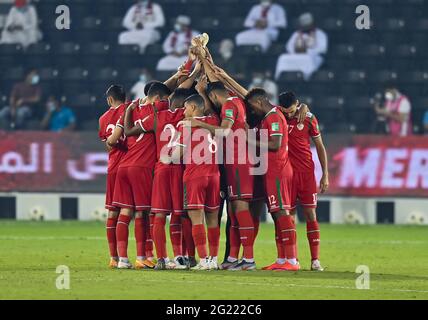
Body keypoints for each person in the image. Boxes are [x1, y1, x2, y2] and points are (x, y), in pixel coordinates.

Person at [185, 81, 257, 271]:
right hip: (231, 163)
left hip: (238, 161)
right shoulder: (234, 102)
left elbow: (224, 130)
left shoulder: (229, 105)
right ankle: (232, 257)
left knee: (240, 209)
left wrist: (197, 123)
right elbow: (212, 115)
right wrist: (202, 89)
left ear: (215, 96)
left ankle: (248, 259)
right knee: (233, 212)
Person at [107, 82, 171, 270]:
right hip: (142, 167)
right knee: (142, 213)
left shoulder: (129, 109)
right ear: (158, 98)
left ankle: (122, 260)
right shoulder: (156, 110)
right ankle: (142, 256)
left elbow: (111, 141)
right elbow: (173, 88)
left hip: (123, 166)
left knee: (125, 212)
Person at [244, 88, 299, 271]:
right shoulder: (270, 115)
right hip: (272, 171)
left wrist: (249, 140)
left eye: (252, 106)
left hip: (277, 170)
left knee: (282, 213)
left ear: (259, 102)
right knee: (277, 215)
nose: (252, 111)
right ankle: (282, 260)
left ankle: (291, 260)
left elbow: (275, 144)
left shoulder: (273, 117)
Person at [169, 94, 221, 270]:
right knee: (213, 219)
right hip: (214, 176)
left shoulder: (187, 126)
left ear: (192, 108)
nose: (183, 112)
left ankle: (204, 260)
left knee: (197, 219)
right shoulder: (213, 121)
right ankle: (213, 260)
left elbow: (178, 156)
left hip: (194, 176)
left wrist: (168, 154)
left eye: (185, 108)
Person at [277, 91, 328, 271]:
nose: (289, 115)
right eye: (286, 112)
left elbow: (320, 146)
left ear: (297, 104)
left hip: (306, 173)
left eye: (291, 111)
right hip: (286, 175)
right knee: (288, 217)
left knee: (310, 214)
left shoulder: (308, 118)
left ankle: (315, 260)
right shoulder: (277, 115)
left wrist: (325, 174)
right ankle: (293, 259)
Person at [98, 85, 129, 269]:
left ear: (109, 99)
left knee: (113, 211)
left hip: (113, 167)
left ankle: (114, 258)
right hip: (130, 165)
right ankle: (133, 257)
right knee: (133, 210)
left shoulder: (102, 119)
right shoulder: (130, 108)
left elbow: (108, 146)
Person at [275, 13, 328, 80]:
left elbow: (322, 48)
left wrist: (306, 51)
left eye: (307, 25)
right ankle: (282, 78)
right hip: (296, 55)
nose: (306, 27)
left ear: (312, 24)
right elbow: (289, 46)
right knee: (282, 58)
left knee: (308, 59)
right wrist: (296, 50)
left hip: (313, 56)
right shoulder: (296, 34)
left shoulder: (320, 34)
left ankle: (307, 79)